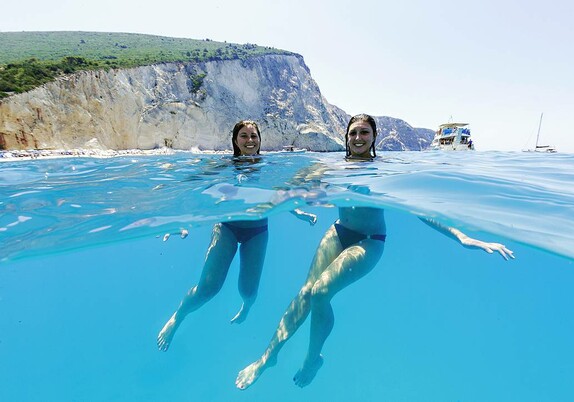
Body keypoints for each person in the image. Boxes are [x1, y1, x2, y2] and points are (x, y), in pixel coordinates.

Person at [235, 114, 514, 389]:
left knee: (321, 293)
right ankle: (267, 358)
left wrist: (462, 237)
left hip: (369, 241)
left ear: (374, 137)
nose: (358, 138)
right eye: (353, 132)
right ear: (346, 137)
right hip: (339, 231)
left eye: (364, 132)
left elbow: (419, 210)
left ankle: (311, 359)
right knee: (306, 293)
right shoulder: (331, 166)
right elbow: (290, 187)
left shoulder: (385, 170)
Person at [157, 120, 316, 352]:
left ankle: (247, 307)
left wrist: (299, 212)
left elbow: (280, 195)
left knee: (249, 291)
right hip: (227, 227)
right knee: (209, 288)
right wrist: (181, 220)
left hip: (257, 231)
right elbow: (193, 189)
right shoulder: (224, 167)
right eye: (244, 136)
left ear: (260, 140)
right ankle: (177, 318)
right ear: (235, 140)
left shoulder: (269, 168)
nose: (249, 140)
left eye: (254, 136)